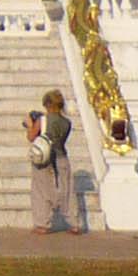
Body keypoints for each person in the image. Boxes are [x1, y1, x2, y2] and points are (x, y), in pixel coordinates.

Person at [26, 87, 83, 234]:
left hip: (44, 159)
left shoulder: (43, 120)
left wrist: (30, 125)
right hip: (62, 157)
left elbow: (32, 137)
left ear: (47, 104)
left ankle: (42, 223)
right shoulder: (66, 122)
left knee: (41, 191)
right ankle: (74, 223)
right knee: (67, 190)